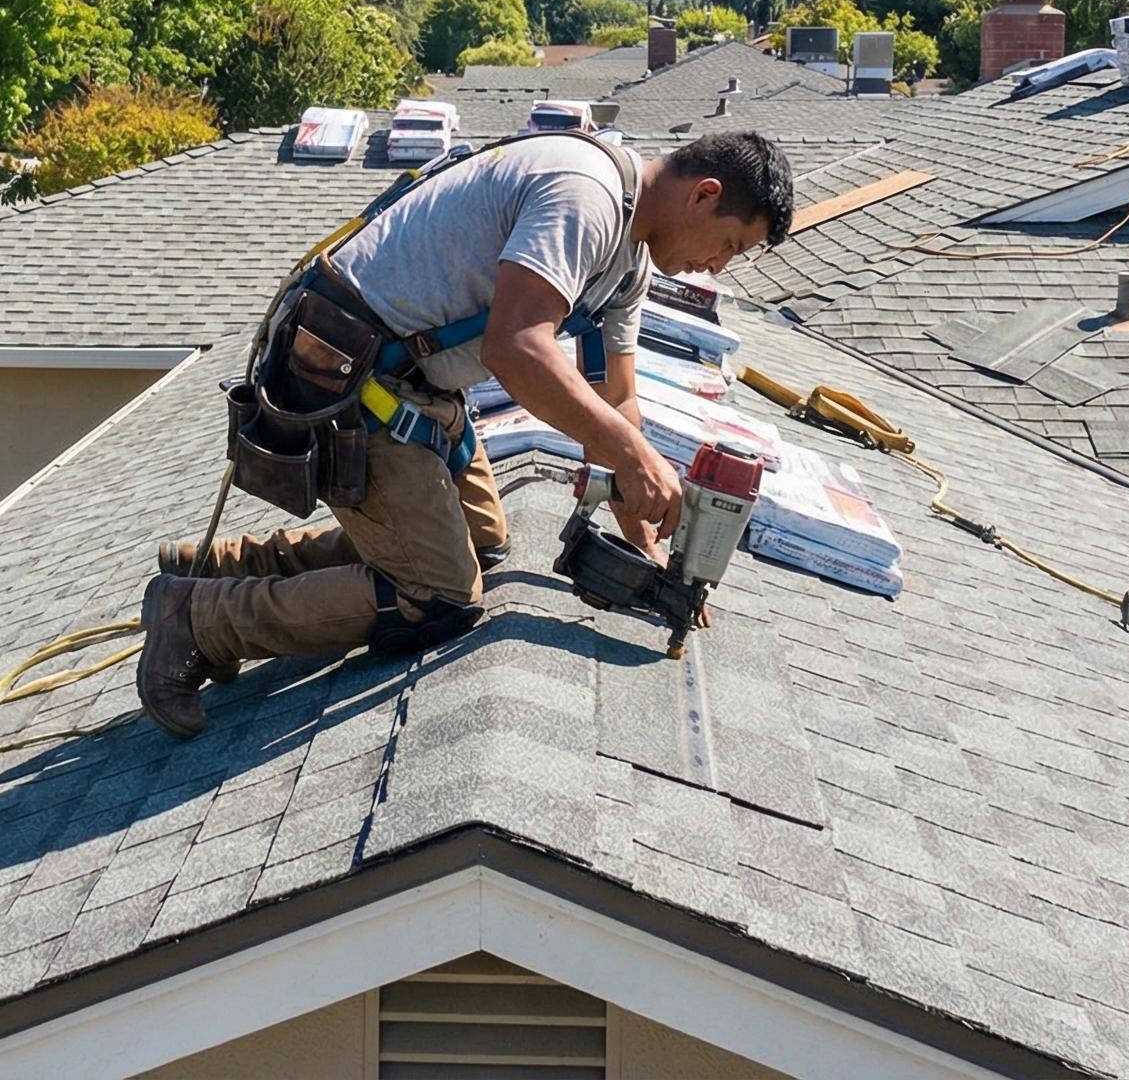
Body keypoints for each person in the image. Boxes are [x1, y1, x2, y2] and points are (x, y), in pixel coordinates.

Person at [138, 130, 795, 739]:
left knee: (482, 545)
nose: (717, 267)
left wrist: (646, 542)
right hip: (348, 370)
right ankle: (196, 621)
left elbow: (615, 398)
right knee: (440, 596)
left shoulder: (630, 263)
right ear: (705, 194)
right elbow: (517, 349)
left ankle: (214, 569)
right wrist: (632, 454)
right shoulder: (586, 197)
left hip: (412, 383)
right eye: (729, 246)